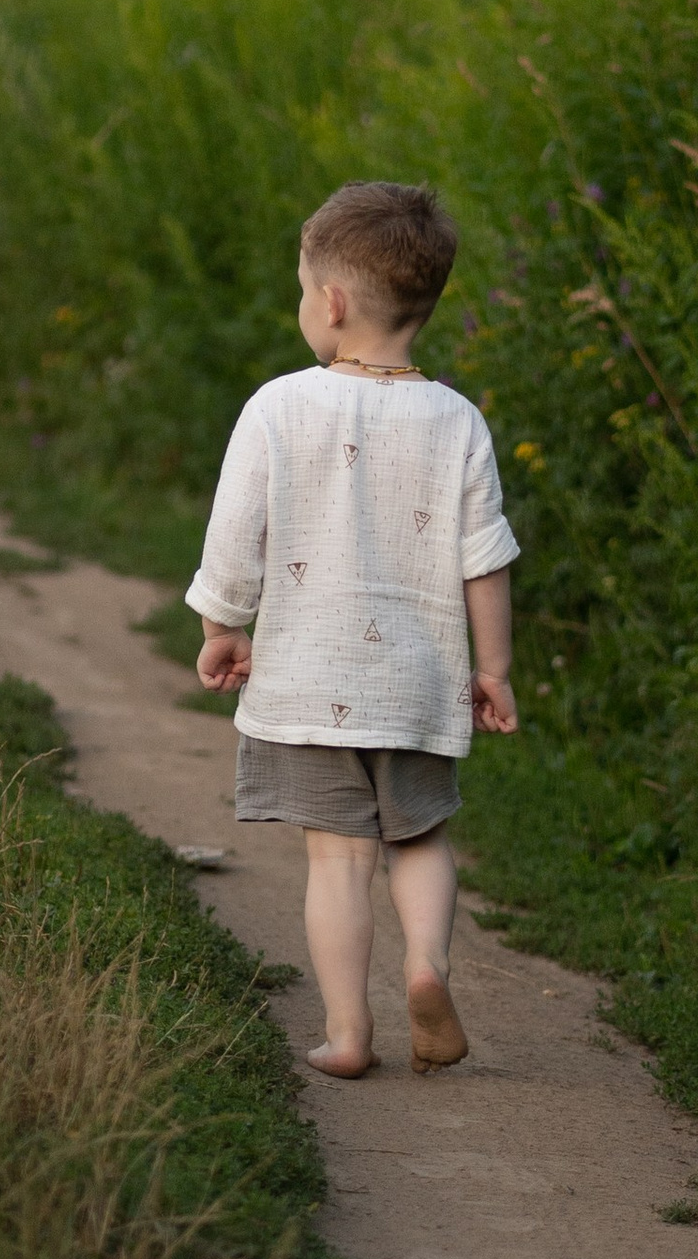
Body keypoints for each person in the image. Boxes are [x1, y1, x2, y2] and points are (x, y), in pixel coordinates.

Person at [187, 179, 520, 1080]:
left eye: (303, 289)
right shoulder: (458, 419)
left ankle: (347, 1033)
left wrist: (224, 624)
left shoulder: (277, 407)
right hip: (417, 685)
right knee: (418, 838)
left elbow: (236, 532)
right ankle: (427, 966)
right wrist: (494, 669)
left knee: (337, 862)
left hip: (307, 682)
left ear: (330, 303)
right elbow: (484, 557)